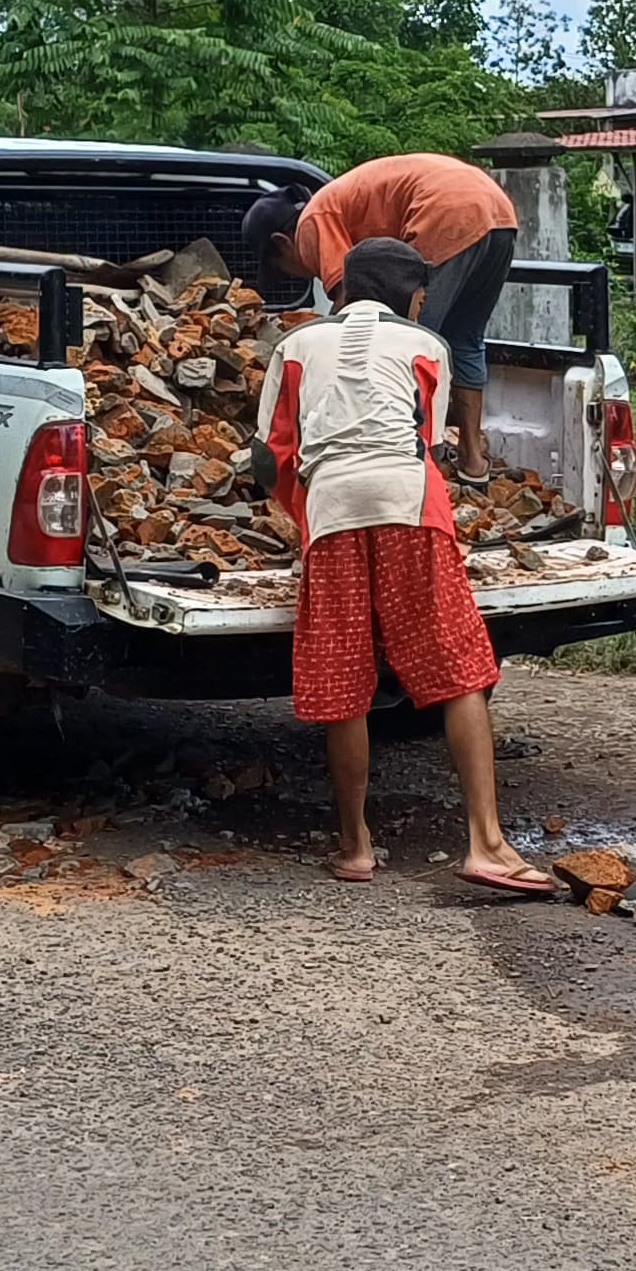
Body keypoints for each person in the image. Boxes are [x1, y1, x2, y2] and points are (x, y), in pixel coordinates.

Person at [255, 234, 551, 896]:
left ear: (343, 290)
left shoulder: (295, 346)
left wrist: (309, 513)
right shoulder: (427, 347)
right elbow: (424, 442)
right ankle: (487, 844)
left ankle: (356, 847)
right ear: (414, 299)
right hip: (411, 506)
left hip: (331, 511)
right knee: (460, 670)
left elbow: (270, 456)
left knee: (344, 681)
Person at [269, 154, 520, 477]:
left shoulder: (310, 222)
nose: (301, 275)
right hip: (498, 211)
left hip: (445, 210)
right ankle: (473, 462)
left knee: (404, 344)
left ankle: (418, 461)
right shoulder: (342, 200)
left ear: (281, 243)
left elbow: (349, 306)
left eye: (283, 270)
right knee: (464, 339)